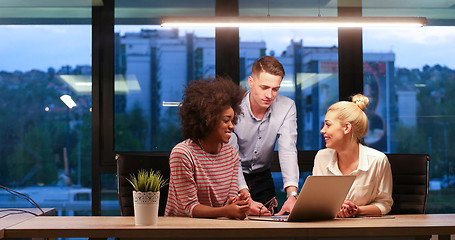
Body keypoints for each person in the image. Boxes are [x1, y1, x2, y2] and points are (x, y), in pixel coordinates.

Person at [164, 77, 250, 219]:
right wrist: (227, 211)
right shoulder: (182, 154)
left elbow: (230, 198)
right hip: (181, 230)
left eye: (232, 120)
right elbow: (191, 208)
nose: (232, 126)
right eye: (226, 120)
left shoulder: (231, 154)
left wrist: (236, 203)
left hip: (215, 228)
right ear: (207, 120)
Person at [229, 56, 299, 216]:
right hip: (232, 176)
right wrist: (245, 196)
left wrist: (292, 195)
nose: (269, 95)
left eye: (275, 89)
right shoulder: (233, 105)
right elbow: (231, 155)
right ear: (251, 81)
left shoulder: (287, 106)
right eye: (264, 87)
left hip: (263, 178)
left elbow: (287, 150)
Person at [313, 94, 393, 218]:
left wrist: (357, 210)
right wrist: (334, 207)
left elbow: (384, 204)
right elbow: (315, 201)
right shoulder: (321, 157)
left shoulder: (378, 160)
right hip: (329, 231)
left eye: (328, 125)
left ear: (346, 128)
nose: (322, 130)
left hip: (365, 231)